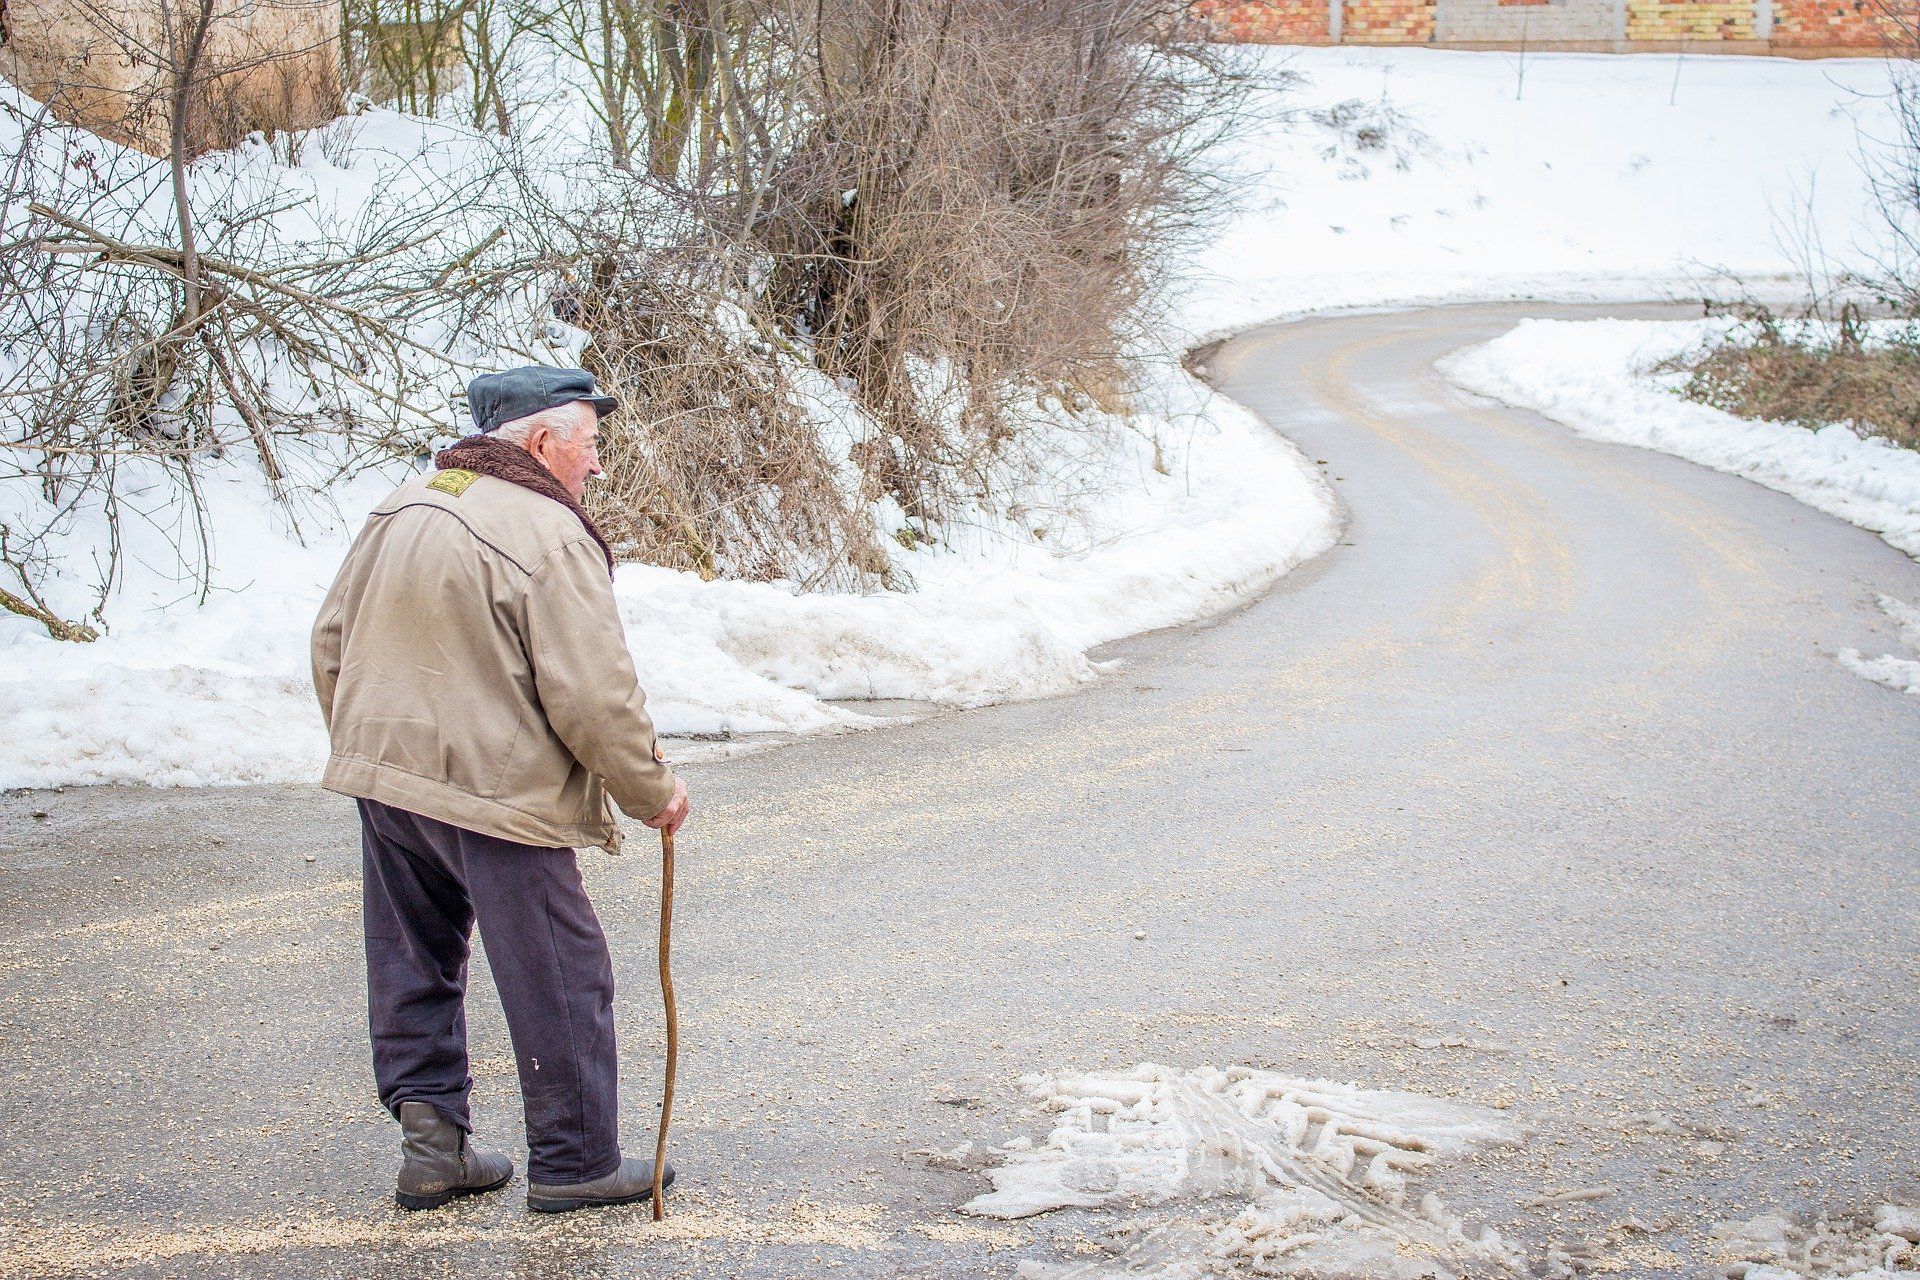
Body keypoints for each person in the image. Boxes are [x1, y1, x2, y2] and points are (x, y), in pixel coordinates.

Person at [310, 366, 690, 1214]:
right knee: (562, 971)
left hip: (387, 775)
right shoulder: (548, 532)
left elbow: (330, 640)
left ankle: (434, 1150)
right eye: (589, 446)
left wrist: (369, 744)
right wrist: (649, 790)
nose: (596, 468)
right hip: (492, 788)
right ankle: (578, 1162)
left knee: (414, 961)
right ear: (544, 441)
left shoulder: (402, 504)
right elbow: (594, 694)